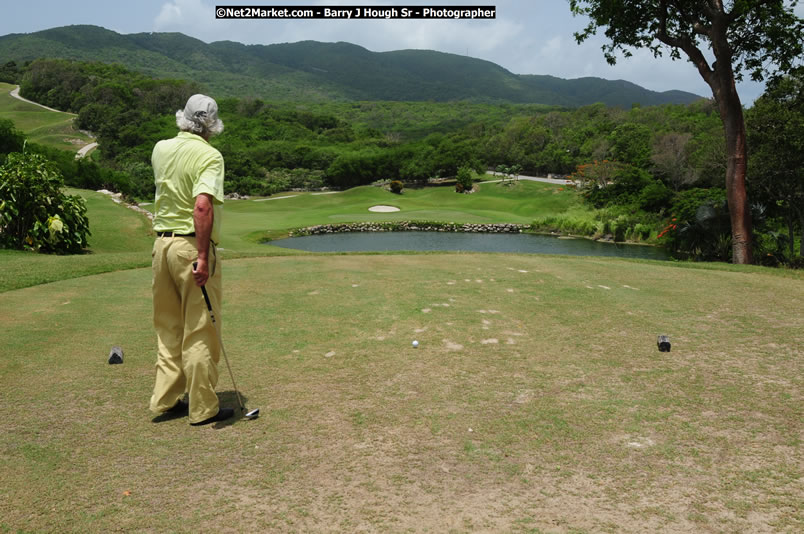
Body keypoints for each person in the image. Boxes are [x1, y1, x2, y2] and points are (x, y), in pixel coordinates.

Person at [148, 94, 233, 426]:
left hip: (161, 248)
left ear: (183, 116)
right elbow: (201, 206)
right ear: (211, 124)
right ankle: (202, 408)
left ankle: (166, 399)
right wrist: (202, 256)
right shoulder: (210, 155)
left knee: (168, 326)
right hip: (189, 247)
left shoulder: (160, 148)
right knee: (199, 328)